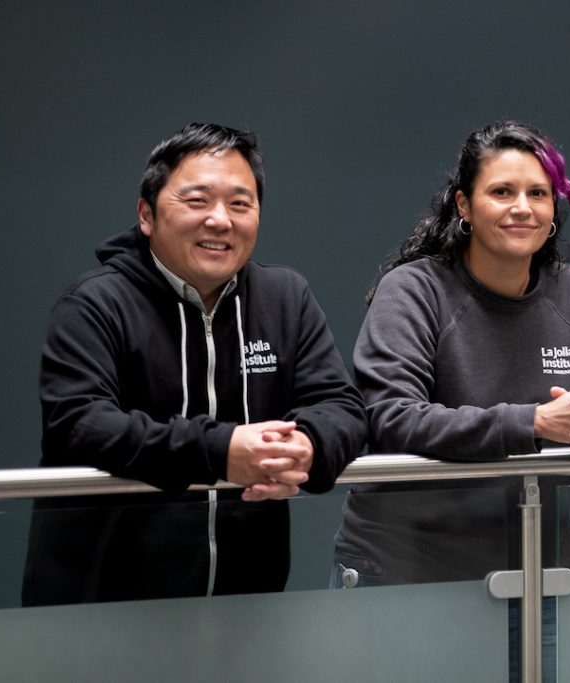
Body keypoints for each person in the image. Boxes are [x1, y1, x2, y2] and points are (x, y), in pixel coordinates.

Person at [333, 121, 570, 679]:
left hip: (537, 579)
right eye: (502, 192)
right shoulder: (414, 291)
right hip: (406, 575)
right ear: (464, 204)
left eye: (539, 194)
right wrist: (534, 423)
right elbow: (391, 418)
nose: (523, 208)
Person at [23, 122, 367, 604]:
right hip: (100, 611)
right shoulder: (94, 304)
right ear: (147, 214)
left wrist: (307, 445)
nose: (220, 220)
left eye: (240, 204)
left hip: (247, 608)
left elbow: (342, 407)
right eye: (198, 200)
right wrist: (220, 450)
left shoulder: (285, 298)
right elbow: (79, 424)